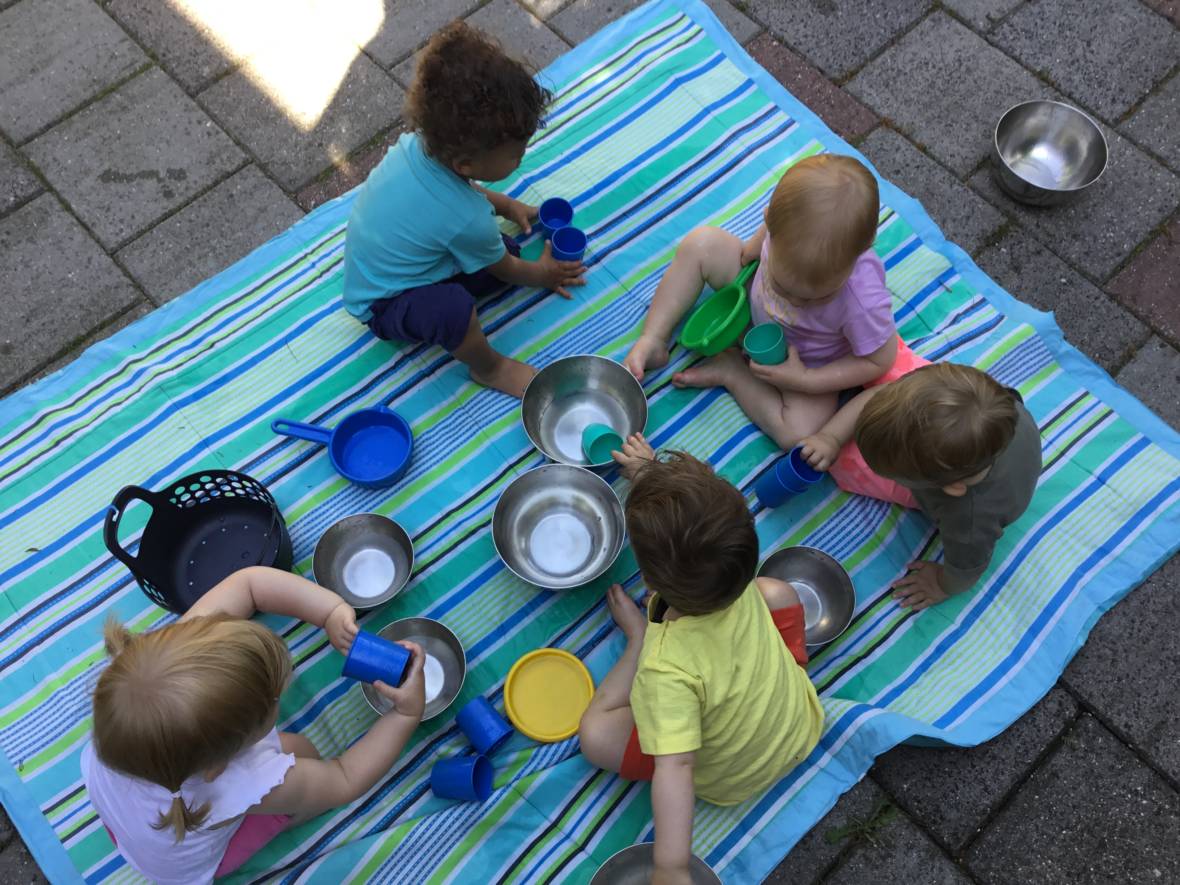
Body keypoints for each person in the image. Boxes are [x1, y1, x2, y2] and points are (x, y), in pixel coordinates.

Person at [578, 435, 824, 885]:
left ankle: (634, 637)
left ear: (650, 577)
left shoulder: (663, 669)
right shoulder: (736, 579)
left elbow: (677, 767)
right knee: (778, 592)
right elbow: (697, 525)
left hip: (733, 777)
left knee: (594, 734)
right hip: (802, 721)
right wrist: (650, 475)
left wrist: (671, 866)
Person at [81, 567, 426, 884]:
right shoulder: (241, 782)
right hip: (188, 865)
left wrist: (329, 611)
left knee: (293, 754)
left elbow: (248, 584)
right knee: (302, 752)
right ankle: (290, 816)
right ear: (223, 762)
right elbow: (344, 777)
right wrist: (405, 714)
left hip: (130, 823)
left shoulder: (163, 673)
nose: (280, 694)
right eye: (273, 700)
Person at [342, 21, 585, 398]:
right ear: (466, 164)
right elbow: (489, 249)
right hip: (382, 304)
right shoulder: (466, 220)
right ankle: (490, 368)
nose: (521, 158)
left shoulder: (418, 147)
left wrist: (505, 205)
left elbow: (456, 198)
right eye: (516, 154)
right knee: (457, 306)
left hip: (400, 262)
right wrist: (544, 275)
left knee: (505, 249)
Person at [623, 153, 908, 447]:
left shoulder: (863, 302)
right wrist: (752, 250)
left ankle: (733, 373)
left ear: (859, 253)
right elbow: (768, 225)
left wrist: (807, 379)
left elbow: (879, 360)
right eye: (783, 285)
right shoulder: (781, 224)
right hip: (751, 303)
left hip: (802, 359)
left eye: (812, 297)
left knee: (798, 434)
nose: (793, 298)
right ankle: (654, 338)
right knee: (702, 243)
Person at [799, 362, 1042, 610]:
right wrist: (831, 436)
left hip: (994, 491)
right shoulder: (989, 403)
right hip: (1015, 439)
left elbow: (967, 569)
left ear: (951, 487)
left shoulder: (968, 520)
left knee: (846, 470)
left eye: (896, 474)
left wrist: (942, 584)